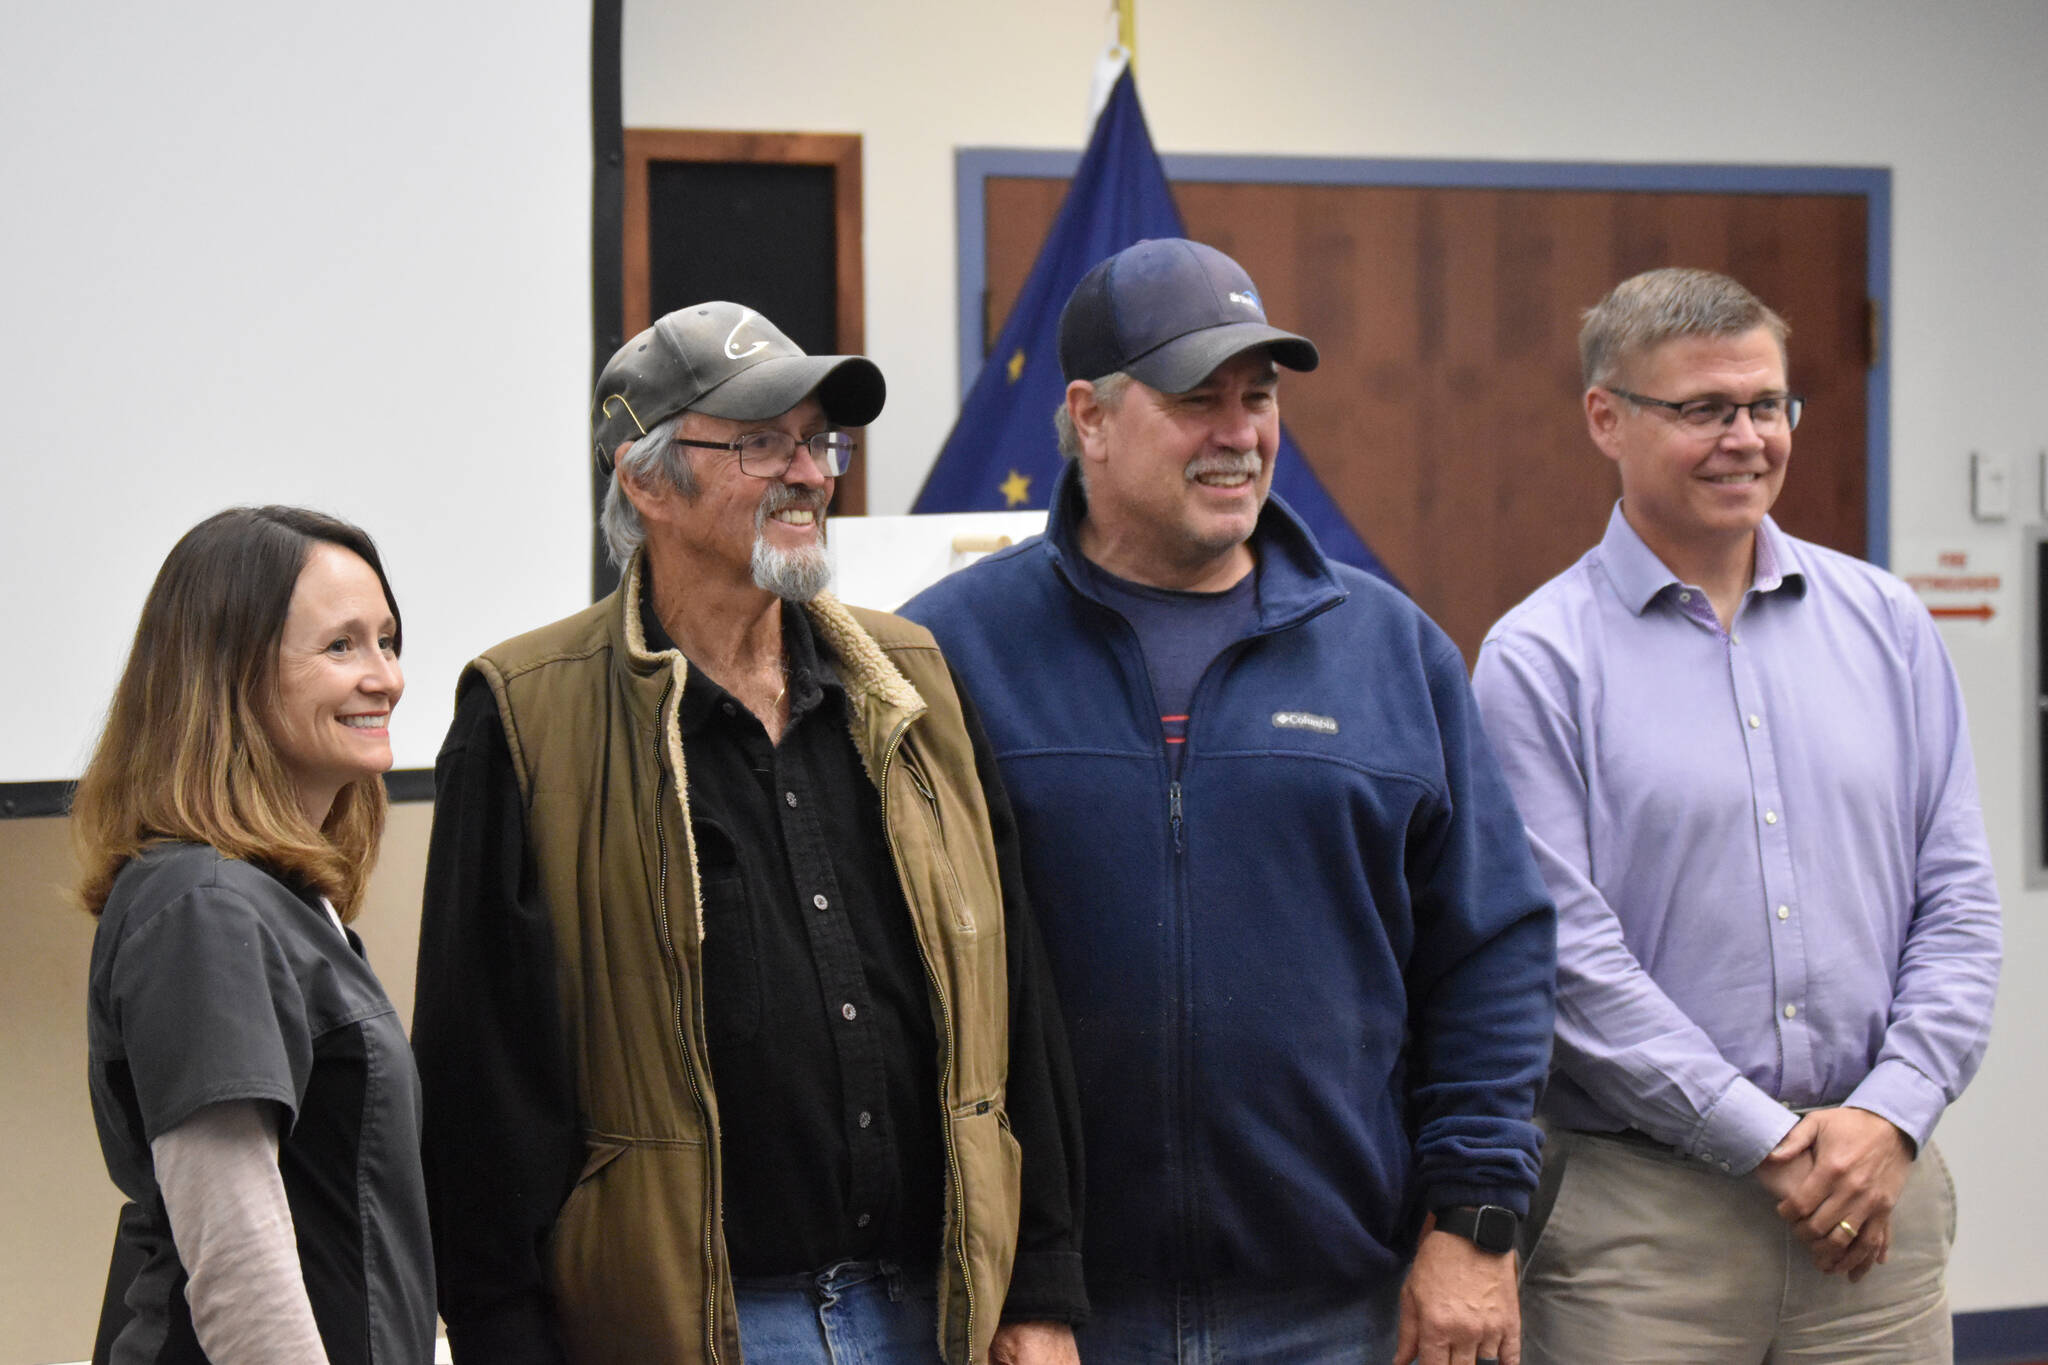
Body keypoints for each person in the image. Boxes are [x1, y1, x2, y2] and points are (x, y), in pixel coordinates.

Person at [903, 237, 1557, 1365]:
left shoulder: (1390, 650)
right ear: (1089, 418)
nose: (1239, 434)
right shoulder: (946, 653)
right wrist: (1008, 1281)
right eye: (1195, 399)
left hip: (1346, 1312)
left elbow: (1489, 954)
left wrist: (1475, 1226)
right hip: (1055, 1322)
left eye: (1256, 399)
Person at [412, 302, 1085, 1365]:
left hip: (941, 1308)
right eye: (759, 442)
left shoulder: (911, 683)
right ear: (644, 481)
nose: (811, 474)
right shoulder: (526, 715)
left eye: (818, 441)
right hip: (694, 1328)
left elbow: (1017, 997)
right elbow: (476, 1079)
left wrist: (1040, 1286)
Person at [1472, 267, 2003, 1362]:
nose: (1745, 438)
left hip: (1874, 1214)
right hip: (1643, 1230)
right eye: (1702, 410)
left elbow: (1955, 901)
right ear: (1604, 418)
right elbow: (1566, 960)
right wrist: (1771, 1143)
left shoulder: (1887, 625)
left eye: (1765, 405)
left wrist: (1889, 1113)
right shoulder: (1538, 661)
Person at [75, 506, 430, 1365]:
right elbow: (236, 1253)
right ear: (228, 674)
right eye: (341, 646)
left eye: (387, 640)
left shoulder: (285, 898)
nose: (385, 676)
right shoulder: (202, 905)